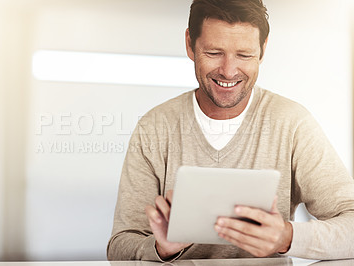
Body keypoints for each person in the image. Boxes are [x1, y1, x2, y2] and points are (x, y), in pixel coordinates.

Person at [107, 0, 354, 262]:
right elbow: (120, 245)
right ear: (190, 44)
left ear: (263, 49)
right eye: (214, 52)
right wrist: (161, 248)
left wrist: (286, 237)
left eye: (244, 55)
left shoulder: (292, 123)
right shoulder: (155, 127)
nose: (229, 71)